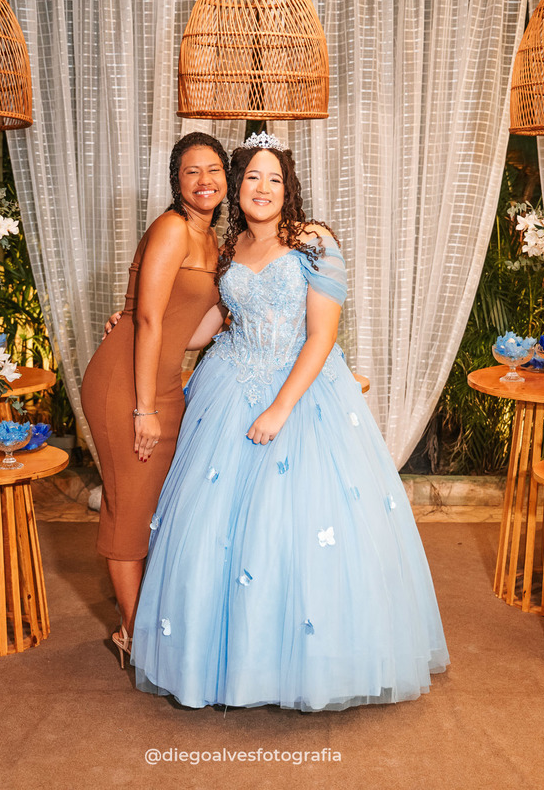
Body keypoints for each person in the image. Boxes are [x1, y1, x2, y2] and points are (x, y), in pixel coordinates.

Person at [130, 132, 448, 711]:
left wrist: (279, 408)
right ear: (236, 187)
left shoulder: (313, 240)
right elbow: (209, 327)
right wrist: (131, 322)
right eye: (252, 176)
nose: (263, 188)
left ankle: (309, 663)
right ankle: (235, 664)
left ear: (288, 189)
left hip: (300, 391)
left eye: (274, 178)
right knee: (218, 530)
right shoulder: (229, 249)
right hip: (229, 383)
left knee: (301, 526)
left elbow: (322, 335)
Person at [80, 131, 230, 668]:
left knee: (157, 507)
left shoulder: (214, 243)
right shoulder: (172, 228)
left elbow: (188, 331)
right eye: (192, 171)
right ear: (176, 181)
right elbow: (146, 319)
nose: (204, 180)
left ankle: (148, 622)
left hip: (163, 381)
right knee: (129, 506)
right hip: (126, 383)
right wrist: (143, 409)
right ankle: (133, 634)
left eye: (213, 169)